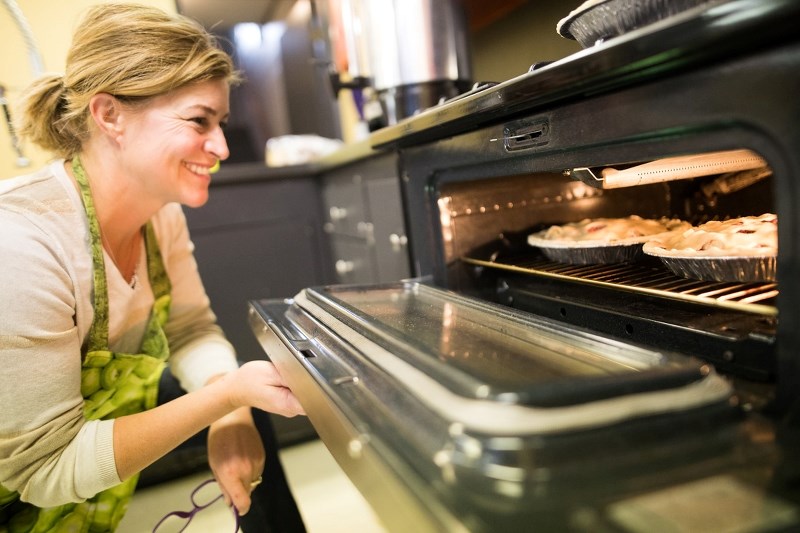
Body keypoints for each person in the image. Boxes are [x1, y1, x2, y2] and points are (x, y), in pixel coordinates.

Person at [0, 3, 308, 532]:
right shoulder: (24, 241)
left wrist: (231, 412)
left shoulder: (159, 213)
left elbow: (190, 329)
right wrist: (225, 394)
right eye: (198, 121)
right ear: (109, 115)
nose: (222, 147)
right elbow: (43, 465)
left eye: (222, 122)